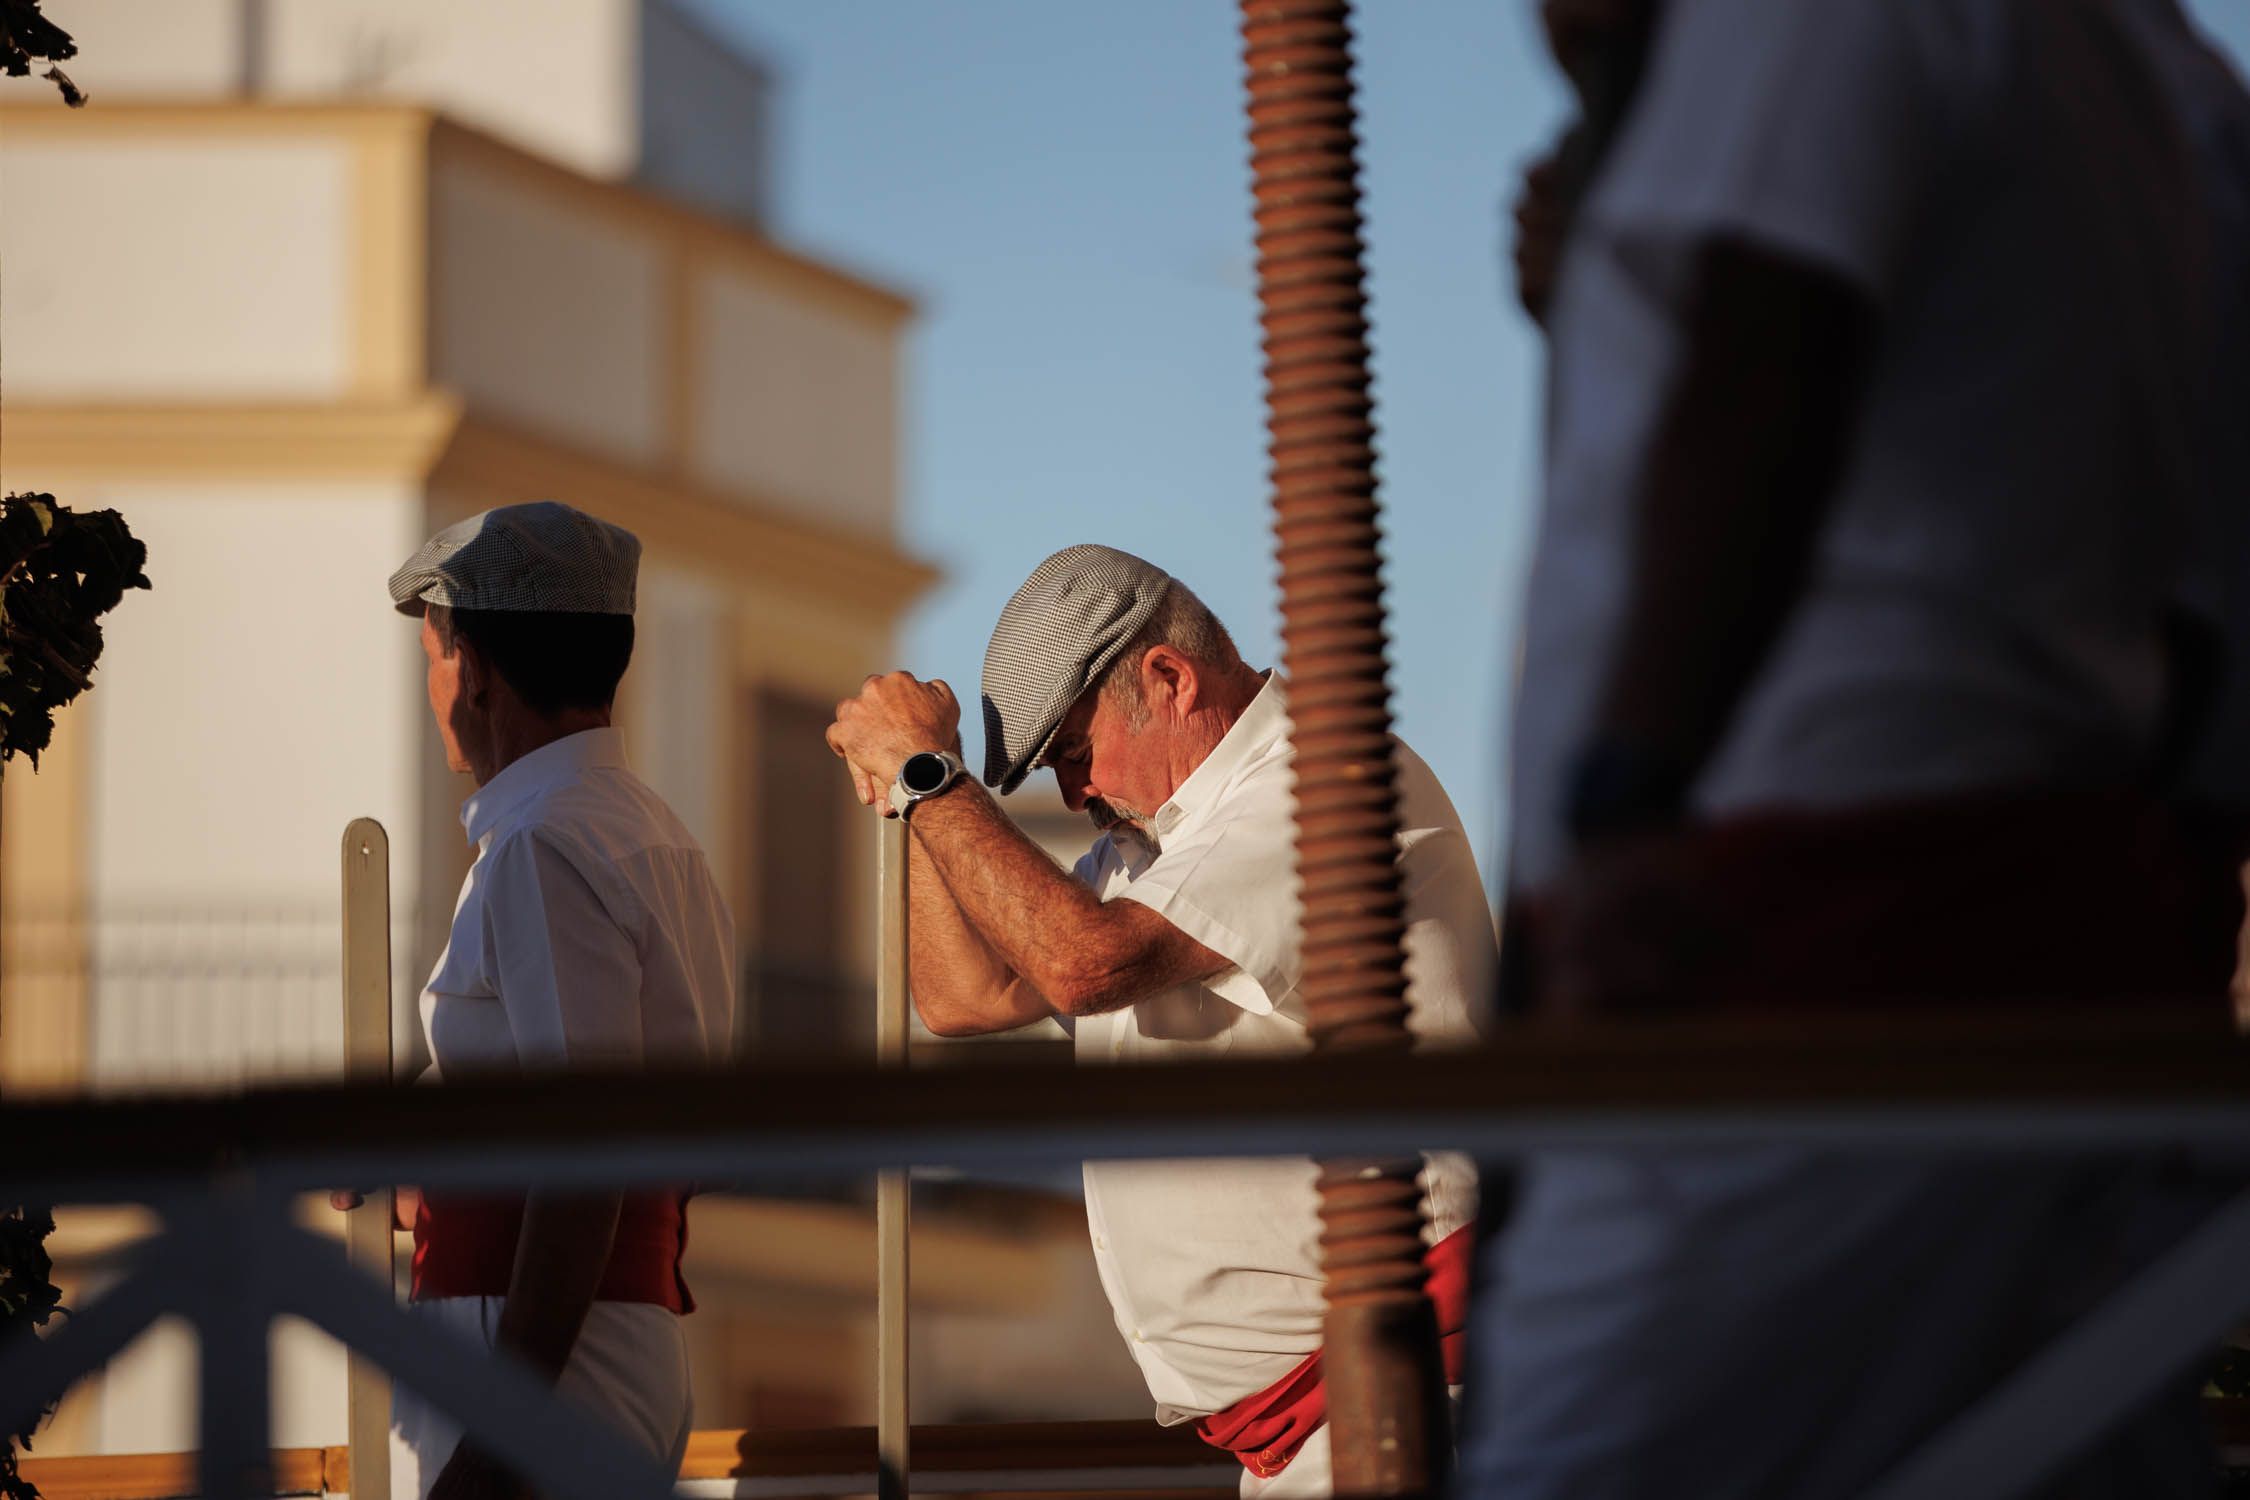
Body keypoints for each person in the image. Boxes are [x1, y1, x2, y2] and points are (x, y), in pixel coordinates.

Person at [1464, 0, 2250, 1494]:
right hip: (2059, 936)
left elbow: (1768, 345)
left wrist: (1630, 809)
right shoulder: (2161, 78)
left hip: (1790, 933)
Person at [824, 544, 1495, 1498]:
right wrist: (920, 792)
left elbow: (1080, 964)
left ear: (1169, 678)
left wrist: (936, 780)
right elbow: (963, 997)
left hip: (1401, 1410)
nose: (1074, 796)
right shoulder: (1157, 843)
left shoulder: (1324, 781)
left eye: (1072, 754)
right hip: (1314, 1435)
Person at [380, 501, 735, 1500]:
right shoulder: (650, 835)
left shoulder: (542, 845)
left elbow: (585, 1157)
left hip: (544, 1357)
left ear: (476, 669)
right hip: (609, 1340)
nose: (434, 687)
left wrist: (500, 1436)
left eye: (434, 658)